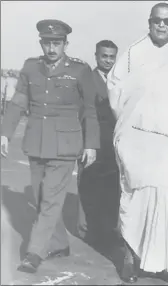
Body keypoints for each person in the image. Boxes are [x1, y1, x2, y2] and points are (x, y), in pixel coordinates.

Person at [0, 19, 99, 273]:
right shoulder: (31, 67)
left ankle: (34, 252)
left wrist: (91, 144)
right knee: (41, 197)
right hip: (36, 143)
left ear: (66, 44)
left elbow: (89, 109)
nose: (52, 48)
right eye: (47, 43)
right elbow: (19, 102)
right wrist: (5, 134)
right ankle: (59, 243)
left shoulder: (79, 70)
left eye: (57, 43)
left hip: (65, 145)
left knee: (50, 201)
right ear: (41, 43)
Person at [106, 3, 168, 284]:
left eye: (167, 22)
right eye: (157, 21)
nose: (162, 26)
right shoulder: (134, 52)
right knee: (134, 199)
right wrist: (136, 111)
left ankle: (160, 264)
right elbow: (115, 88)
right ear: (150, 22)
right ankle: (130, 260)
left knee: (164, 204)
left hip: (163, 141)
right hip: (135, 136)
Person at [77, 40, 119, 251]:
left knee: (112, 188)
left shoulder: (119, 80)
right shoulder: (88, 79)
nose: (108, 61)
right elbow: (85, 112)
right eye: (104, 56)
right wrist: (88, 144)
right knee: (88, 188)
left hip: (113, 143)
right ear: (96, 56)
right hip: (92, 141)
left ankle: (108, 229)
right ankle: (87, 231)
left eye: (112, 57)